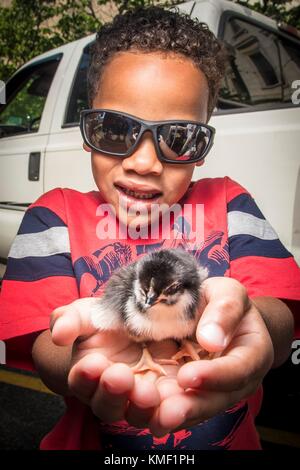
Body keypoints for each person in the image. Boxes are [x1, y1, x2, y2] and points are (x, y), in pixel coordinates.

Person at [0, 5, 299, 450]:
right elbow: (46, 347)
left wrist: (249, 324)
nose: (144, 162)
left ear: (202, 147)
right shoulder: (52, 216)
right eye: (115, 130)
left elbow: (279, 311)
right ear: (87, 130)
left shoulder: (230, 202)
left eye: (178, 138)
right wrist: (89, 355)